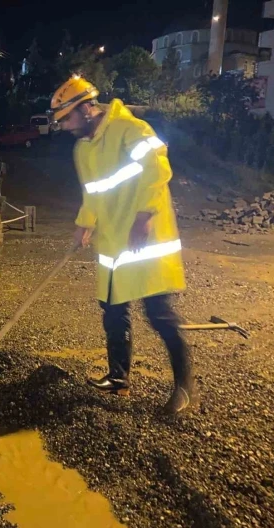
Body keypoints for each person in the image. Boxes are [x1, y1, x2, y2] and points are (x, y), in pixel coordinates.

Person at [49, 75, 196, 415]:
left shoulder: (131, 130)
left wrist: (144, 216)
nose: (64, 127)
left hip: (145, 237)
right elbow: (93, 193)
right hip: (113, 240)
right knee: (113, 309)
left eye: (66, 118)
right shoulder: (82, 149)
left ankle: (185, 389)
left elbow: (157, 170)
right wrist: (84, 224)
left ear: (87, 108)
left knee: (158, 314)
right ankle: (119, 379)